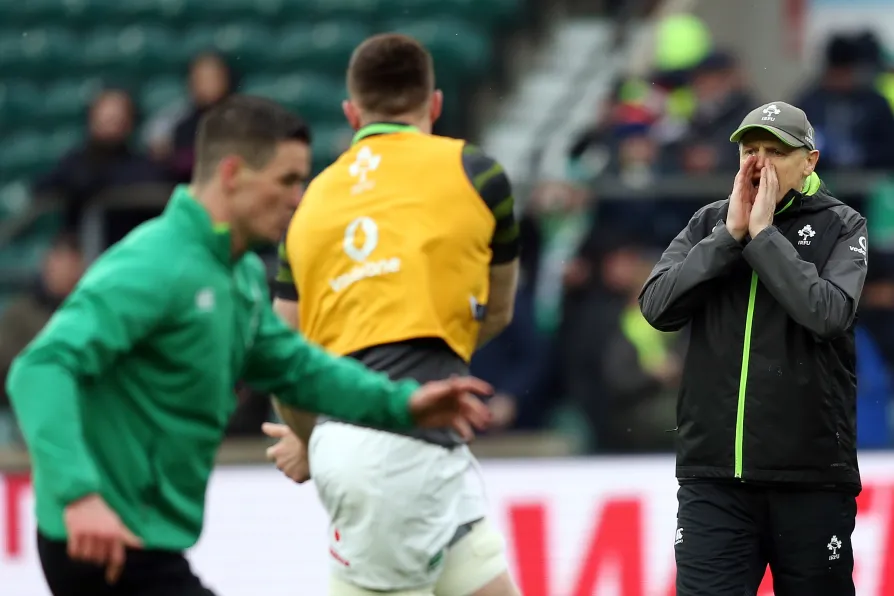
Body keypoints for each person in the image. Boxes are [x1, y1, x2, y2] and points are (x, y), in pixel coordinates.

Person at [6, 94, 493, 596]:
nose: (298, 198)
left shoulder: (235, 274)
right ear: (233, 174)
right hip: (102, 542)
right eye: (286, 180)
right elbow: (39, 368)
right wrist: (79, 495)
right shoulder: (157, 263)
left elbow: (298, 368)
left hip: (141, 541)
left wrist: (404, 403)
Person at [264, 33, 522, 596]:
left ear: (351, 114)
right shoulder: (478, 175)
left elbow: (281, 355)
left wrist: (307, 441)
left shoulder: (307, 204)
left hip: (367, 443)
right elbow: (498, 311)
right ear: (435, 104)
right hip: (402, 447)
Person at [639, 101, 867, 596]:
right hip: (713, 477)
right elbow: (656, 307)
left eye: (776, 152)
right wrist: (730, 237)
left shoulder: (842, 226)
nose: (759, 163)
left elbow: (828, 313)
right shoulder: (709, 223)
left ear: (809, 162)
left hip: (810, 478)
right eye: (750, 150)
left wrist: (764, 237)